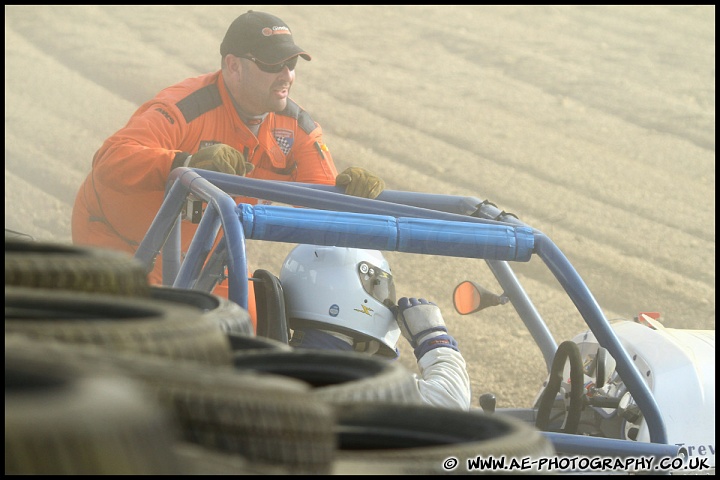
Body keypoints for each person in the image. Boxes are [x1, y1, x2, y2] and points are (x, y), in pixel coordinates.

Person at [71, 10, 385, 326]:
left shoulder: (298, 129)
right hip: (119, 242)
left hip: (204, 255)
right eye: (272, 65)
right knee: (152, 334)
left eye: (291, 64)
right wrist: (183, 164)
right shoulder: (185, 107)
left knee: (247, 332)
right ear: (233, 66)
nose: (286, 75)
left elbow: (323, 210)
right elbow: (110, 158)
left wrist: (352, 195)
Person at [279, 244, 472, 411]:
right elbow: (451, 402)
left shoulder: (274, 356)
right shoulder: (353, 381)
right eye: (379, 287)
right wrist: (434, 338)